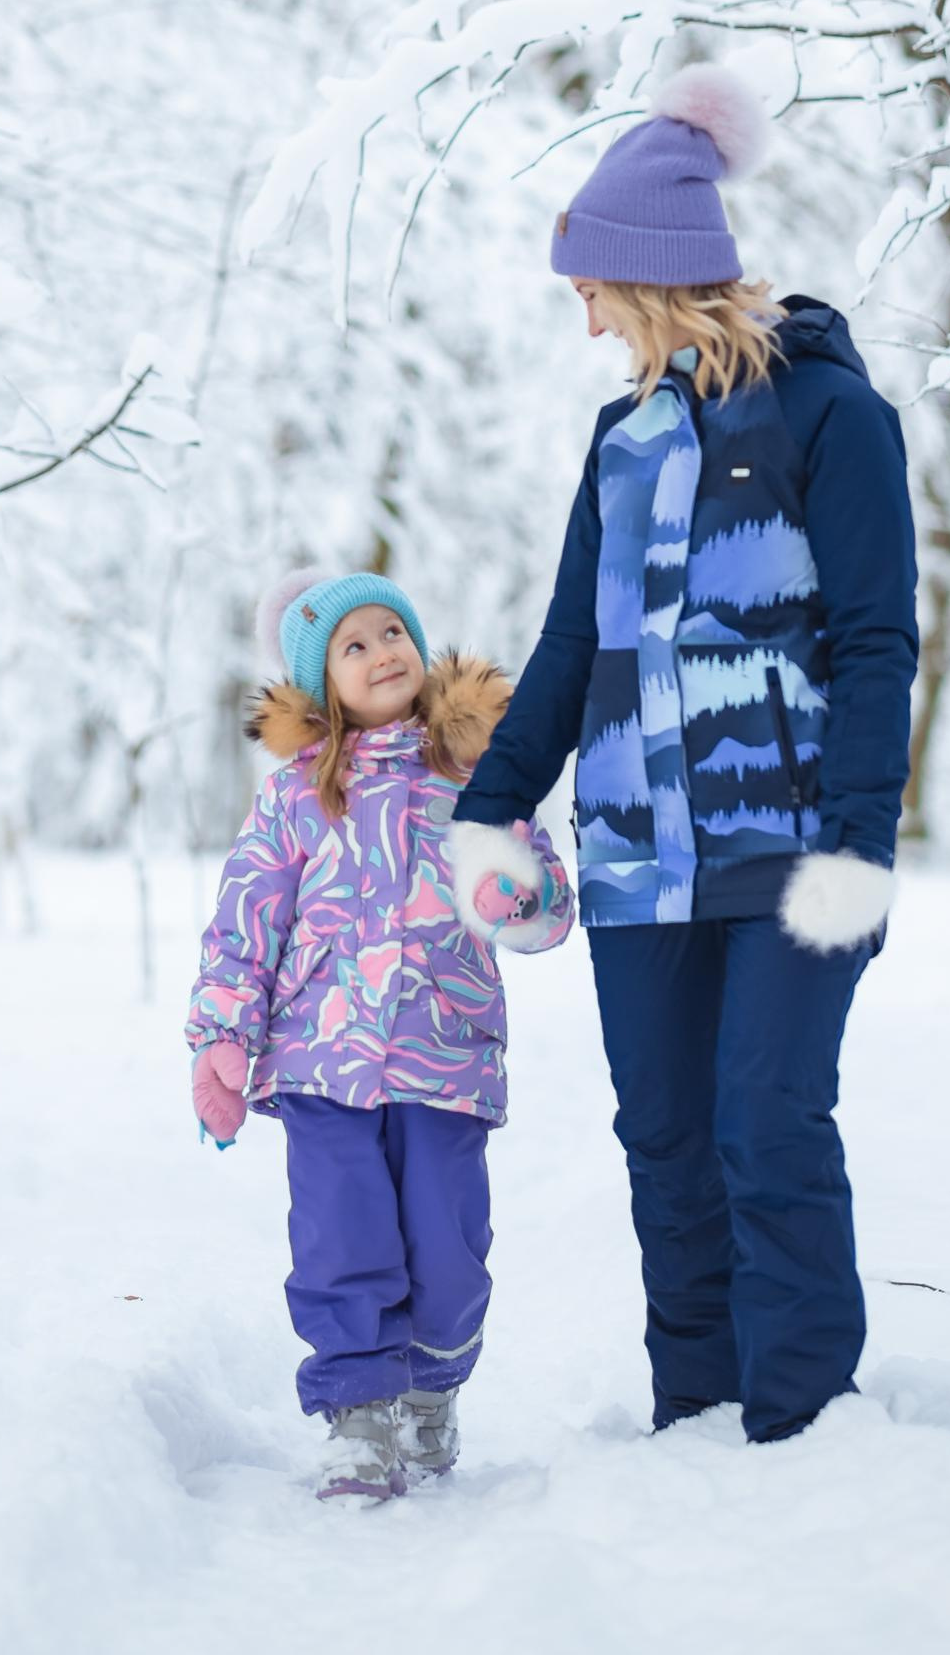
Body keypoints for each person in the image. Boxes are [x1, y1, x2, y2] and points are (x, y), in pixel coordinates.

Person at [446, 66, 917, 1445]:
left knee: (767, 1128)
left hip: (790, 853)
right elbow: (565, 652)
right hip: (641, 857)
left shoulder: (833, 417)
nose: (582, 316)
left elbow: (877, 642)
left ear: (649, 277)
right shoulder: (622, 439)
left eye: (591, 287)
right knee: (668, 1153)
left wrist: (859, 845)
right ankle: (692, 1427)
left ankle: (803, 1433)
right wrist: (487, 813)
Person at [186, 570, 574, 1501]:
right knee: (339, 1237)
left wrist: (513, 893)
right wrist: (222, 1035)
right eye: (352, 645)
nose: (381, 652)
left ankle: (432, 1384)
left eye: (391, 630)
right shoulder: (294, 797)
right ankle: (358, 1416)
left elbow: (548, 909)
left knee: (448, 1248)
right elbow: (245, 920)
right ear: (324, 682)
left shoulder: (479, 777)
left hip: (445, 1054)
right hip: (321, 1061)